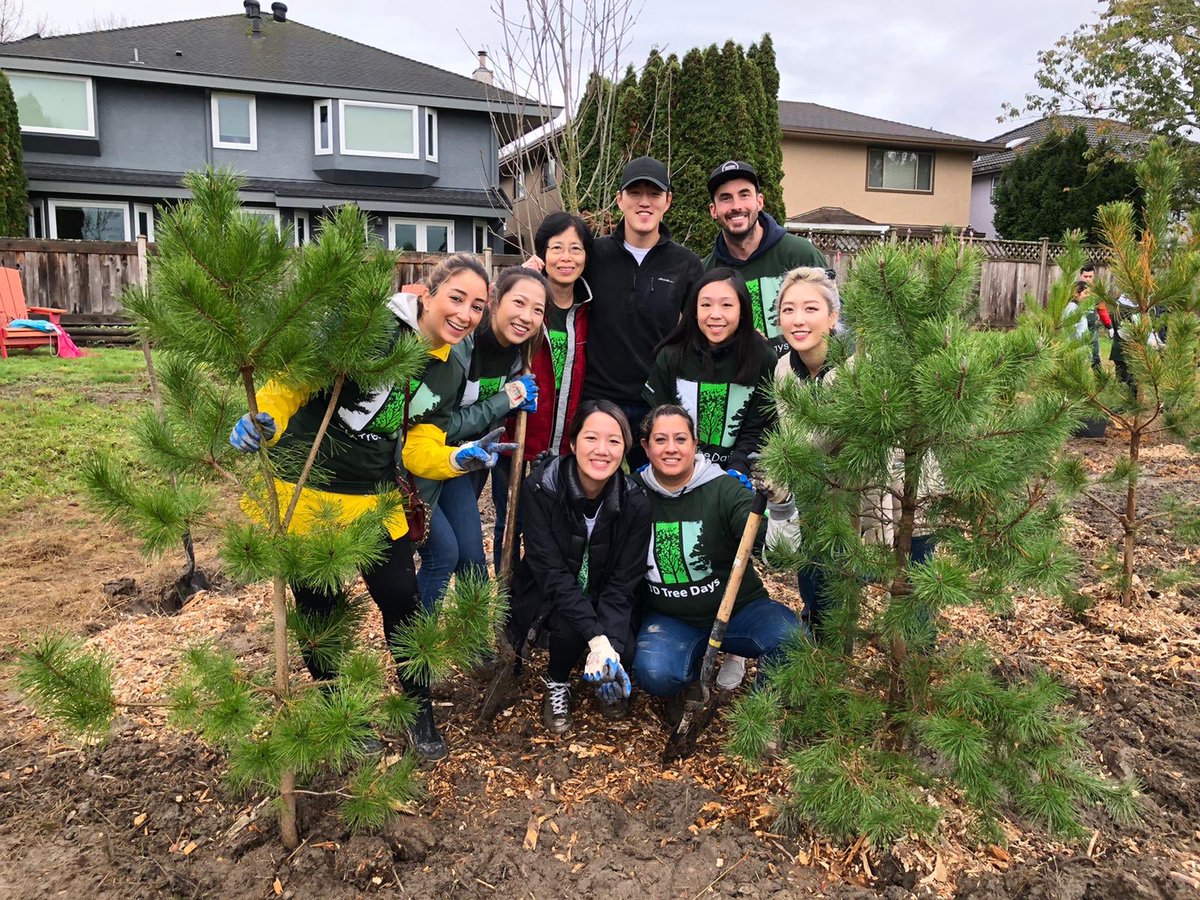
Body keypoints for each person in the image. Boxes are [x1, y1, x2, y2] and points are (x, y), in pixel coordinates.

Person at [228, 253, 513, 762]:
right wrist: (263, 418)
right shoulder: (368, 328)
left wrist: (458, 458)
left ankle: (417, 706)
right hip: (308, 492)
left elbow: (416, 448)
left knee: (403, 602)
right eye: (457, 298)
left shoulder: (448, 367)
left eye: (477, 306)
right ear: (427, 293)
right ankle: (337, 711)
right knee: (320, 609)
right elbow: (292, 382)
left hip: (375, 499)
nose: (467, 314)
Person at [772, 267, 935, 643]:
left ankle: (916, 656)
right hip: (828, 491)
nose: (798, 320)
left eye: (810, 309)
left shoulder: (858, 367)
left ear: (833, 317)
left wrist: (780, 469)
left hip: (896, 488)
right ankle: (823, 651)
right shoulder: (783, 369)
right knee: (818, 572)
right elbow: (794, 434)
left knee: (912, 578)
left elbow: (821, 434)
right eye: (788, 309)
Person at [630, 405, 801, 715]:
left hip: (738, 611)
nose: (671, 448)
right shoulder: (633, 494)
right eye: (660, 440)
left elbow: (777, 556)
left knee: (789, 638)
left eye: (681, 439)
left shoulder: (724, 490)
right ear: (645, 446)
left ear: (695, 444)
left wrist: (782, 507)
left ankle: (761, 714)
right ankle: (689, 679)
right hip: (672, 619)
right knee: (654, 671)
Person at [506, 401, 650, 733]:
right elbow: (550, 572)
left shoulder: (635, 503)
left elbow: (623, 582)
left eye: (614, 441)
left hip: (601, 592)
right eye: (591, 438)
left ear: (625, 449)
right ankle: (557, 683)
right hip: (549, 595)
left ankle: (606, 677)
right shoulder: (542, 488)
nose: (602, 450)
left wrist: (608, 648)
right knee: (572, 628)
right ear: (572, 443)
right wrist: (595, 637)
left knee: (624, 647)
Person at [415, 266, 546, 608]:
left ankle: (473, 644)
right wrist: (504, 400)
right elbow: (438, 424)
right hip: (421, 460)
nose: (526, 317)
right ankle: (416, 653)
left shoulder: (519, 354)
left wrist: (508, 403)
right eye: (518, 303)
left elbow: (482, 412)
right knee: (442, 555)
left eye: (537, 310)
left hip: (462, 462)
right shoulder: (461, 346)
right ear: (494, 300)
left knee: (473, 559)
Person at [583, 156, 704, 468]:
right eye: (635, 193)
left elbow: (704, 324)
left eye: (654, 194)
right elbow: (557, 283)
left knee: (652, 496)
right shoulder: (594, 255)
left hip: (656, 401)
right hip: (599, 400)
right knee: (593, 489)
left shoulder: (686, 264)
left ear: (668, 201)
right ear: (620, 199)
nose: (644, 203)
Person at [492, 213, 595, 570]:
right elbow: (492, 326)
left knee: (555, 532)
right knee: (510, 528)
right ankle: (503, 604)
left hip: (566, 448)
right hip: (518, 445)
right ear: (543, 254)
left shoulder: (588, 309)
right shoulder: (526, 306)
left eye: (575, 249)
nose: (566, 258)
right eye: (556, 248)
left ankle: (539, 609)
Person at [643, 267, 777, 476]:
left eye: (727, 305)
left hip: (740, 473)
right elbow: (658, 421)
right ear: (694, 311)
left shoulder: (763, 358)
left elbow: (758, 428)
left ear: (742, 311)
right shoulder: (671, 356)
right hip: (680, 470)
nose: (715, 314)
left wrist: (736, 470)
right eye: (706, 305)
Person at [702, 160, 827, 356]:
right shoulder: (707, 273)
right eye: (725, 198)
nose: (736, 206)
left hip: (796, 381)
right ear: (713, 210)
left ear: (759, 202)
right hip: (740, 382)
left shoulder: (800, 255)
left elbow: (836, 319)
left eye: (744, 195)